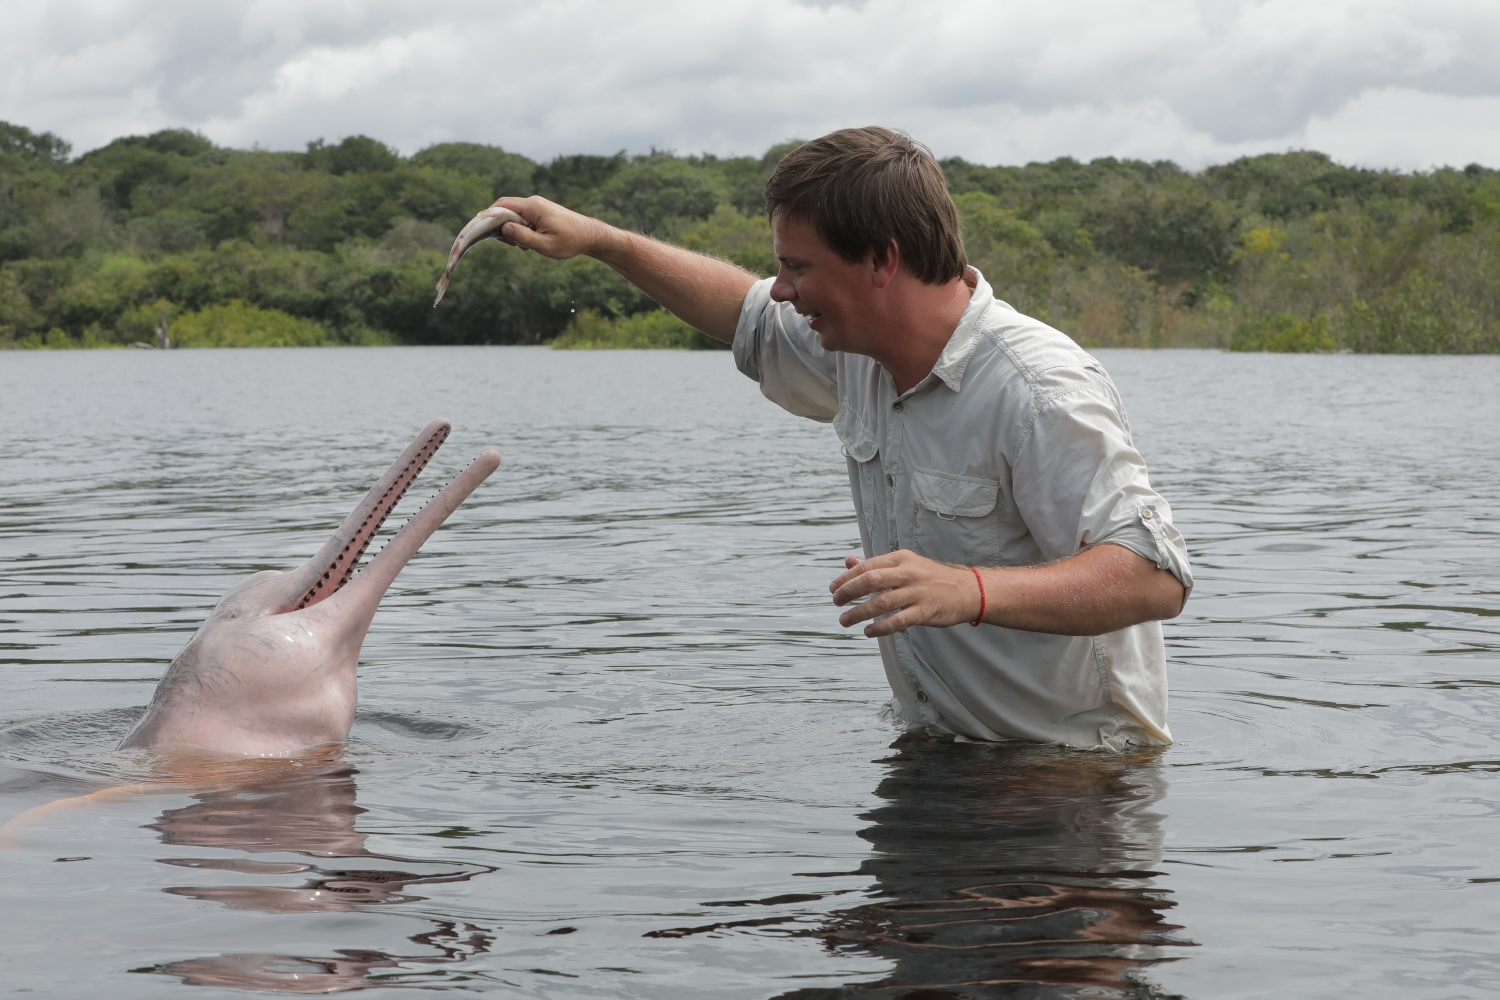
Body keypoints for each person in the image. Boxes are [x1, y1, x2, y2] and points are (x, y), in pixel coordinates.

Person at [493, 127, 1193, 750]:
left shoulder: (1037, 389)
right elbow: (742, 312)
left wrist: (969, 589)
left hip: (1076, 782)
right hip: (942, 760)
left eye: (799, 268)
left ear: (882, 261)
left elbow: (1153, 576)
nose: (782, 290)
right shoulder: (856, 346)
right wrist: (602, 242)